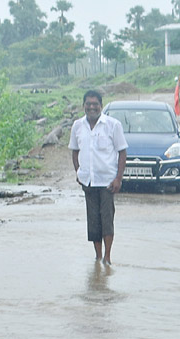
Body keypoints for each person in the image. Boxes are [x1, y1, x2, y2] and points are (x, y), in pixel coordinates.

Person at [68, 90, 127, 265]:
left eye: (95, 104)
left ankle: (108, 257)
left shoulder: (112, 125)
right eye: (88, 104)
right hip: (88, 181)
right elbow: (74, 151)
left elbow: (122, 152)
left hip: (107, 182)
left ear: (101, 106)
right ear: (83, 106)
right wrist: (78, 172)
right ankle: (98, 256)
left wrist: (118, 179)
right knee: (93, 221)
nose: (92, 107)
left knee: (107, 219)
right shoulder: (78, 126)